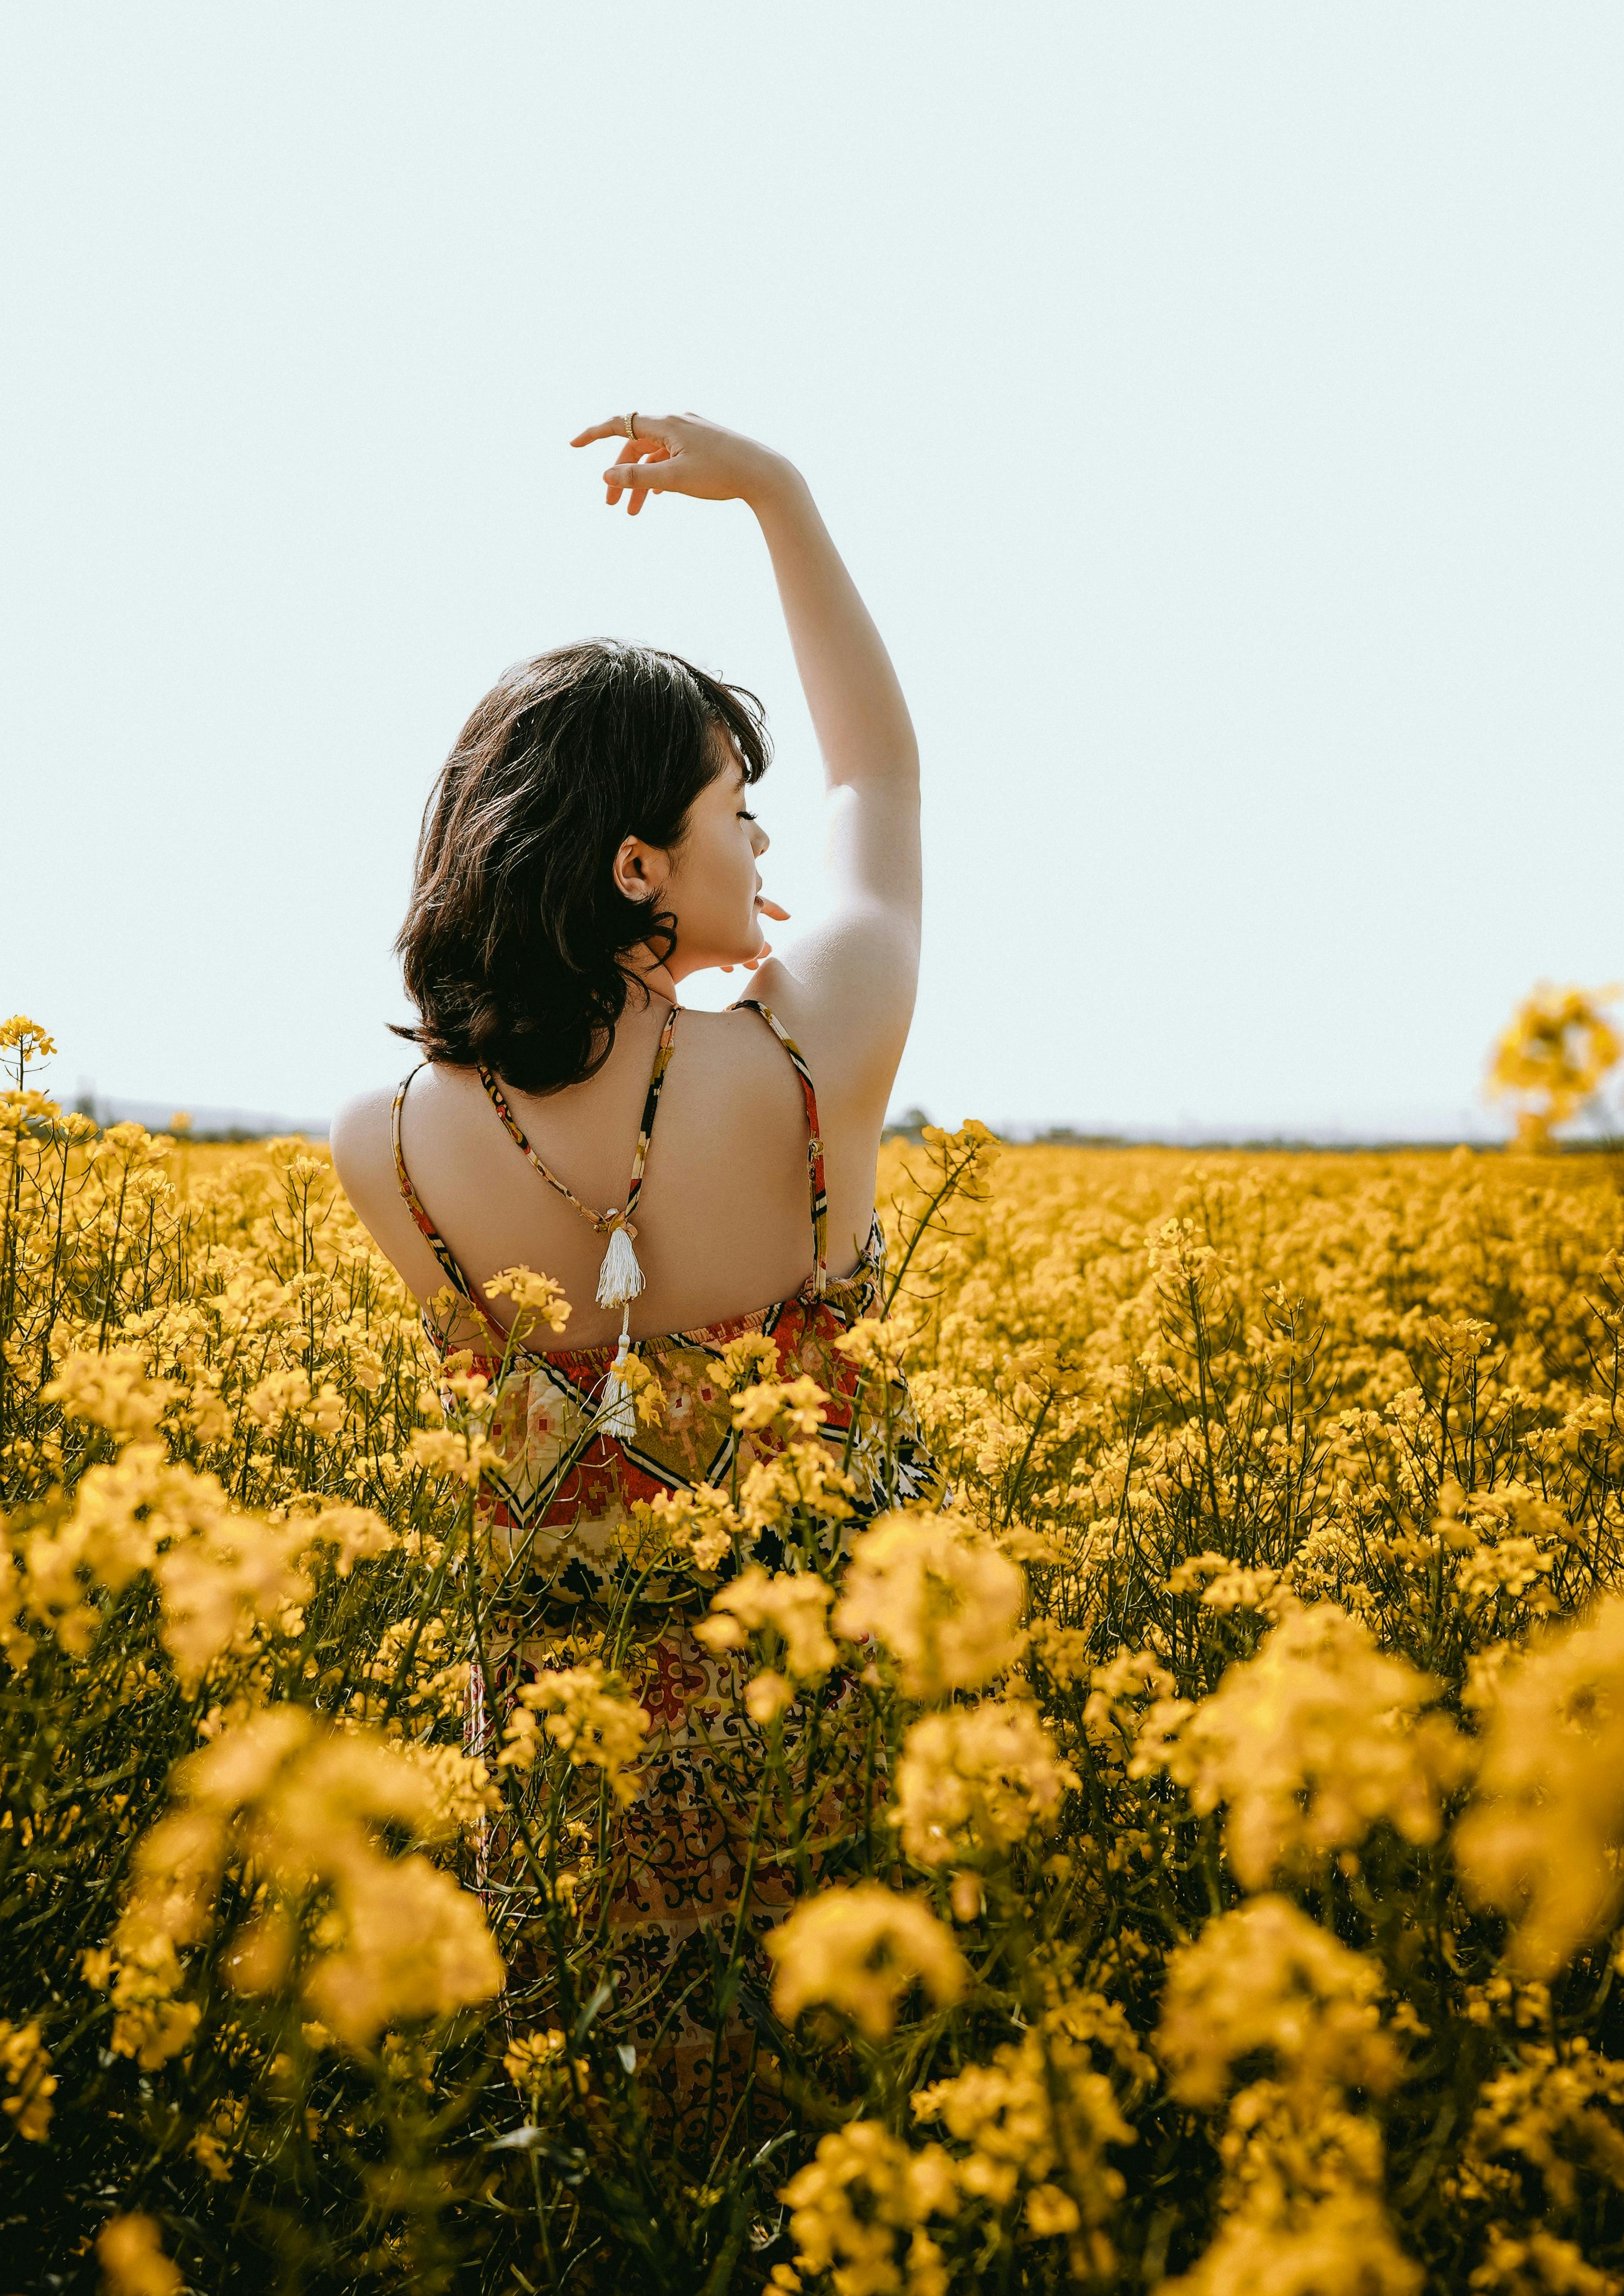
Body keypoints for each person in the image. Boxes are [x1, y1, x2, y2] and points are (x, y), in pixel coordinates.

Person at [330, 409, 934, 2141]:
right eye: (735, 814)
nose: (770, 847)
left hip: (578, 1877)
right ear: (638, 866)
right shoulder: (815, 1066)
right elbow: (883, 784)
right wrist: (785, 499)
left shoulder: (383, 1143)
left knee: (610, 2200)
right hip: (841, 1843)